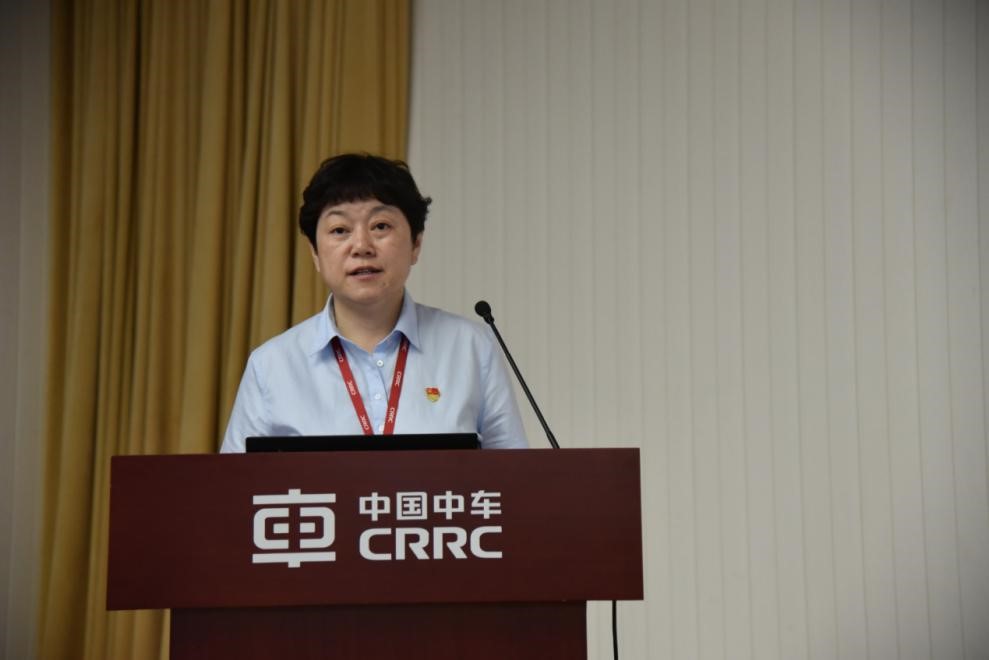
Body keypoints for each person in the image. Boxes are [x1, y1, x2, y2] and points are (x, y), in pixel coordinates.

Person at [220, 153, 529, 452]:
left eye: (380, 226)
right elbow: (236, 483)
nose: (361, 246)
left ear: (416, 244)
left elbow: (514, 476)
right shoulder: (271, 365)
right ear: (315, 253)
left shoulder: (471, 348)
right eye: (340, 230)